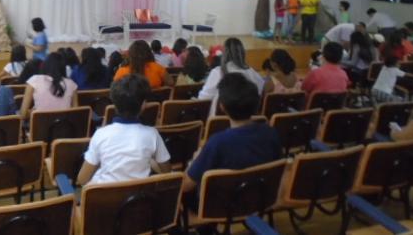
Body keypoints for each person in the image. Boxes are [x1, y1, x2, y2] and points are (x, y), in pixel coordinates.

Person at [182, 73, 282, 209]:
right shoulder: (271, 132)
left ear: (222, 107)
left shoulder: (217, 143)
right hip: (260, 197)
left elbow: (186, 186)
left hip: (220, 206)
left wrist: (193, 162)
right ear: (257, 103)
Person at [77, 74, 171, 185]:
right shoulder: (152, 135)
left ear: (114, 104)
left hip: (102, 200)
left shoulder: (100, 135)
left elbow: (82, 179)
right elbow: (167, 171)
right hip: (138, 200)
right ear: (143, 105)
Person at [198, 38, 264, 115]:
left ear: (224, 54)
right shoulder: (252, 72)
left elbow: (203, 98)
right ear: (243, 53)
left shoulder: (217, 72)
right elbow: (259, 93)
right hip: (247, 119)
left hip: (220, 122)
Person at [21, 52, 77, 118]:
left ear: (45, 64)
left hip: (40, 126)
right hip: (65, 127)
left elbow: (23, 114)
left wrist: (35, 112)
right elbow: (75, 113)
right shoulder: (72, 84)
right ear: (63, 67)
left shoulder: (34, 80)